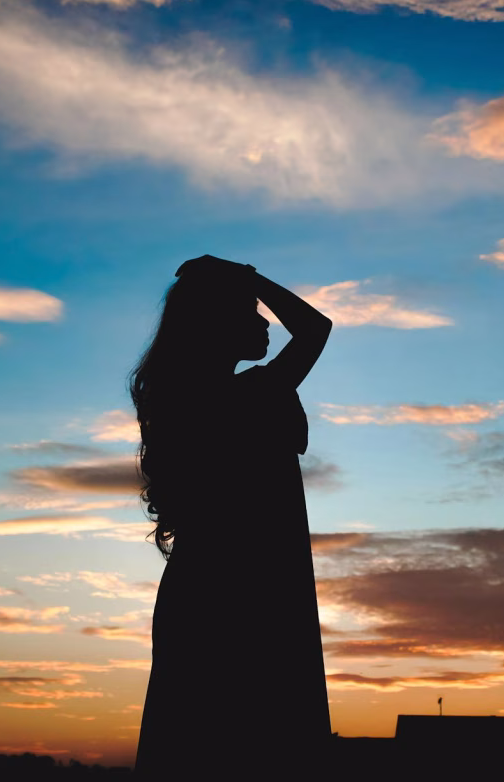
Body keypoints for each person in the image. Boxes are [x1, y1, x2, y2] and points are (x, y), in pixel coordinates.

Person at [131, 255, 333, 779]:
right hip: (247, 593)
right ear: (216, 325)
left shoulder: (187, 402)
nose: (265, 321)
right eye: (250, 311)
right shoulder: (251, 394)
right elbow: (315, 328)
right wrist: (249, 277)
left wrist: (243, 282)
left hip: (210, 587)